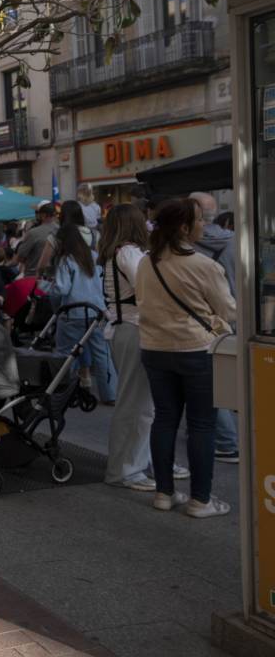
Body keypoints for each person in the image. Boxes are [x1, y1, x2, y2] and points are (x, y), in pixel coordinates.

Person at [135, 198, 236, 517]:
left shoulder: (146, 262)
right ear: (184, 227)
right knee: (202, 424)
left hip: (154, 348)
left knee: (164, 419)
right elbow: (229, 310)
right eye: (200, 220)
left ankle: (164, 493)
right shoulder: (204, 265)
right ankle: (200, 500)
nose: (204, 225)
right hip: (196, 350)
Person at [99, 204, 158, 489]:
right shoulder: (130, 253)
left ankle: (138, 462)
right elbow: (147, 288)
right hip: (133, 329)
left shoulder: (119, 252)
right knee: (137, 404)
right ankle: (126, 469)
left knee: (141, 403)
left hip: (124, 328)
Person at [188, 192, 241, 464]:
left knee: (211, 381)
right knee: (228, 376)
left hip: (207, 320)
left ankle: (227, 441)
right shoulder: (235, 240)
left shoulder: (191, 246)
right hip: (235, 315)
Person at [48, 215, 117, 405]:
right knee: (102, 355)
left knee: (65, 354)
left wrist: (49, 289)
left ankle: (65, 393)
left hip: (73, 313)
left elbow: (61, 289)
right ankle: (110, 394)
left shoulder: (66, 260)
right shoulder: (95, 257)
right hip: (97, 313)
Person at [14, 203, 58, 278]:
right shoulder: (62, 231)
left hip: (34, 276)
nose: (36, 216)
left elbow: (20, 257)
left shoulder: (33, 233)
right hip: (56, 276)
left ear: (43, 215)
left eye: (37, 213)